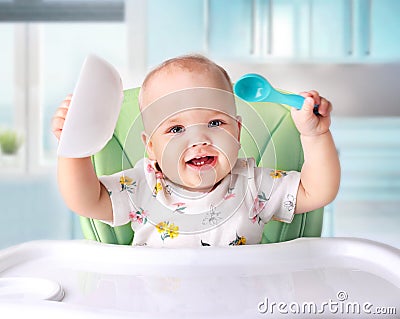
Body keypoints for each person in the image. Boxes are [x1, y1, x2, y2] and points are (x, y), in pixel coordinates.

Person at [52, 54, 340, 247]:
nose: (199, 139)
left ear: (238, 133)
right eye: (176, 130)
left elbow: (317, 191)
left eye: (215, 122)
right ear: (151, 147)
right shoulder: (143, 186)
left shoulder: (253, 184)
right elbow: (86, 200)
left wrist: (315, 135)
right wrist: (74, 145)